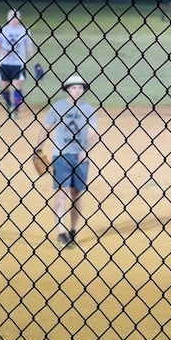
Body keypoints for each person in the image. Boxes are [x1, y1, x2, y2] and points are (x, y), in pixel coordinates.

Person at [44, 75, 98, 248]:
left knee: (76, 194)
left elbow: (92, 134)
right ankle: (61, 233)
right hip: (60, 155)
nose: (78, 91)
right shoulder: (57, 107)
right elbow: (46, 128)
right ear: (68, 89)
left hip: (80, 158)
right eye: (74, 88)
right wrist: (38, 149)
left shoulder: (89, 110)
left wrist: (86, 151)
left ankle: (73, 230)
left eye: (80, 88)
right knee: (62, 193)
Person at [0, 10, 35, 116]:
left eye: (16, 17)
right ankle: (8, 103)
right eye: (12, 17)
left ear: (19, 19)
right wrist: (2, 50)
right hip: (4, 63)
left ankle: (16, 109)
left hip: (19, 63)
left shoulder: (25, 30)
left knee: (17, 85)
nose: (14, 19)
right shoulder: (2, 30)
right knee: (4, 87)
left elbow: (29, 47)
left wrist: (35, 62)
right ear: (8, 18)